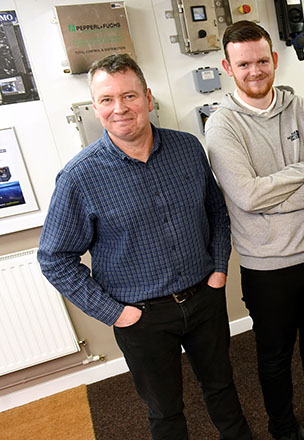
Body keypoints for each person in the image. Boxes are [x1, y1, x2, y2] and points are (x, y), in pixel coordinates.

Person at [37, 53, 251, 440]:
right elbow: (54, 259)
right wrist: (115, 313)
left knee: (222, 387)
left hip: (204, 297)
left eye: (129, 96)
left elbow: (217, 211)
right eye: (106, 100)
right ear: (95, 107)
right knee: (165, 412)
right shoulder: (79, 177)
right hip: (142, 316)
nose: (119, 108)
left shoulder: (188, 148)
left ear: (148, 98)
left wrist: (219, 269)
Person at [204, 21, 304, 440]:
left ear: (274, 60)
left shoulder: (301, 107)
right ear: (227, 67)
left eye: (262, 60)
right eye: (244, 64)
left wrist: (281, 192)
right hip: (269, 265)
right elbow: (246, 196)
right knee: (273, 354)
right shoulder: (222, 125)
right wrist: (300, 172)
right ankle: (282, 425)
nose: (255, 71)